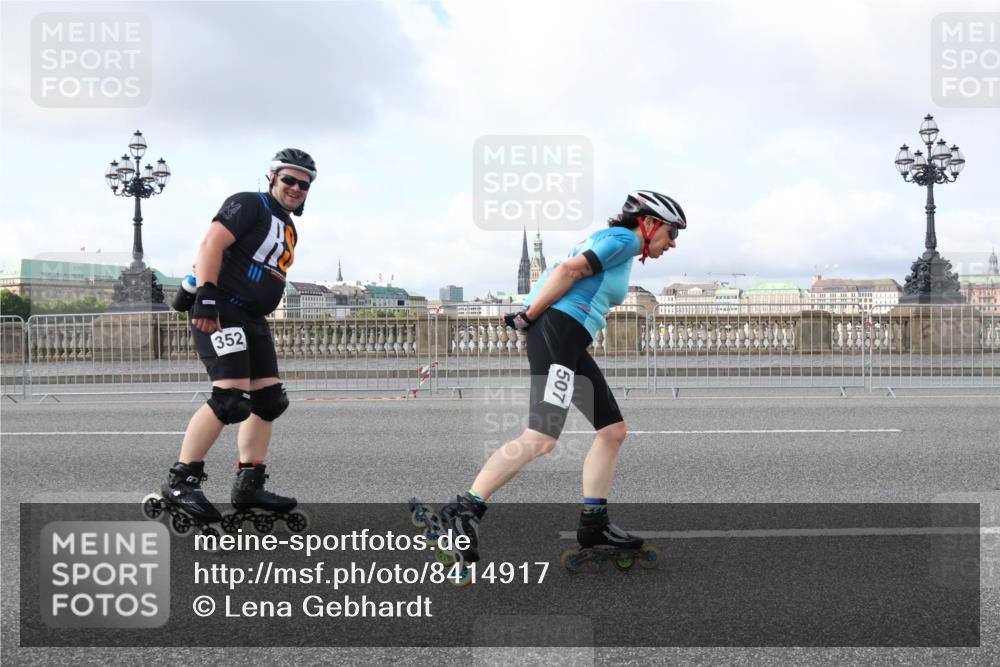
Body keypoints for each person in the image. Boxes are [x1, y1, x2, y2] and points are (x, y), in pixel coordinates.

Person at [439, 190, 686, 562]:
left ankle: (594, 522)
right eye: (672, 233)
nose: (674, 243)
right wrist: (528, 315)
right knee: (541, 437)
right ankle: (465, 511)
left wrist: (532, 313)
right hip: (559, 332)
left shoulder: (619, 244)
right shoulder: (623, 239)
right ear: (649, 223)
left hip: (569, 338)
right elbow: (568, 271)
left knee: (612, 431)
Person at [156, 148, 316, 532]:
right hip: (223, 309)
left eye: (304, 184)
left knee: (269, 400)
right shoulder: (249, 204)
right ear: (272, 177)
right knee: (229, 398)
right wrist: (207, 297)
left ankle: (249, 484)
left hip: (252, 318)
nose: (296, 188)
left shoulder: (288, 226)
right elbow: (211, 244)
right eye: (289, 179)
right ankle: (181, 482)